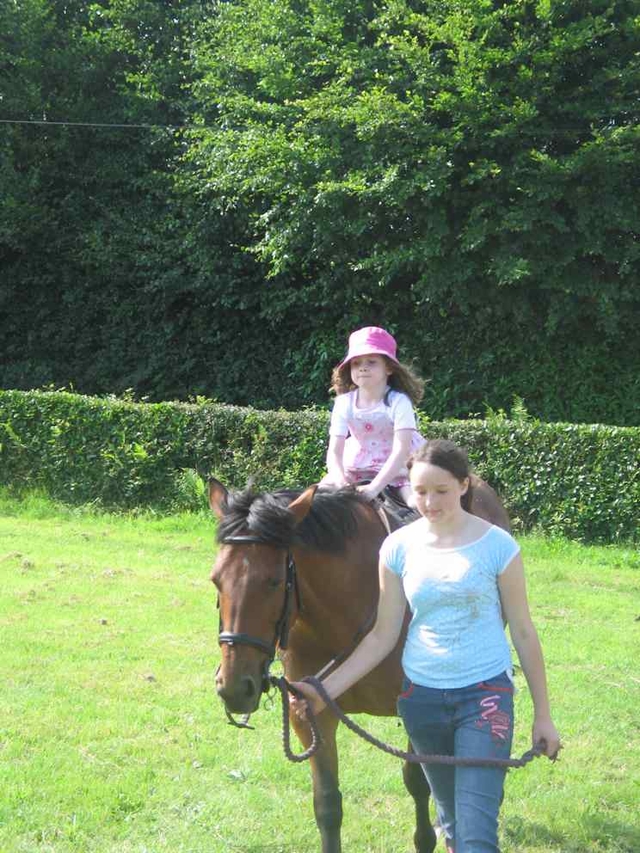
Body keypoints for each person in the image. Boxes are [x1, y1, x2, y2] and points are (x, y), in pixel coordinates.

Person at [292, 439, 561, 853]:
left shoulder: (498, 547)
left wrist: (543, 715)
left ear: (464, 485)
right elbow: (381, 636)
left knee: (475, 837)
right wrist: (324, 689)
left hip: (484, 698)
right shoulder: (397, 547)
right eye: (419, 492)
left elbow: (523, 631)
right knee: (452, 825)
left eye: (442, 491)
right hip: (422, 702)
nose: (430, 502)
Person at [320, 326, 425, 506]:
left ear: (389, 368)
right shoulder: (343, 403)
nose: (363, 368)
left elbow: (401, 451)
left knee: (416, 504)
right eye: (356, 363)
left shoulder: (399, 402)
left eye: (371, 362)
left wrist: (374, 488)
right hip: (355, 467)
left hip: (400, 470)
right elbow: (334, 452)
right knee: (315, 500)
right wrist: (339, 479)